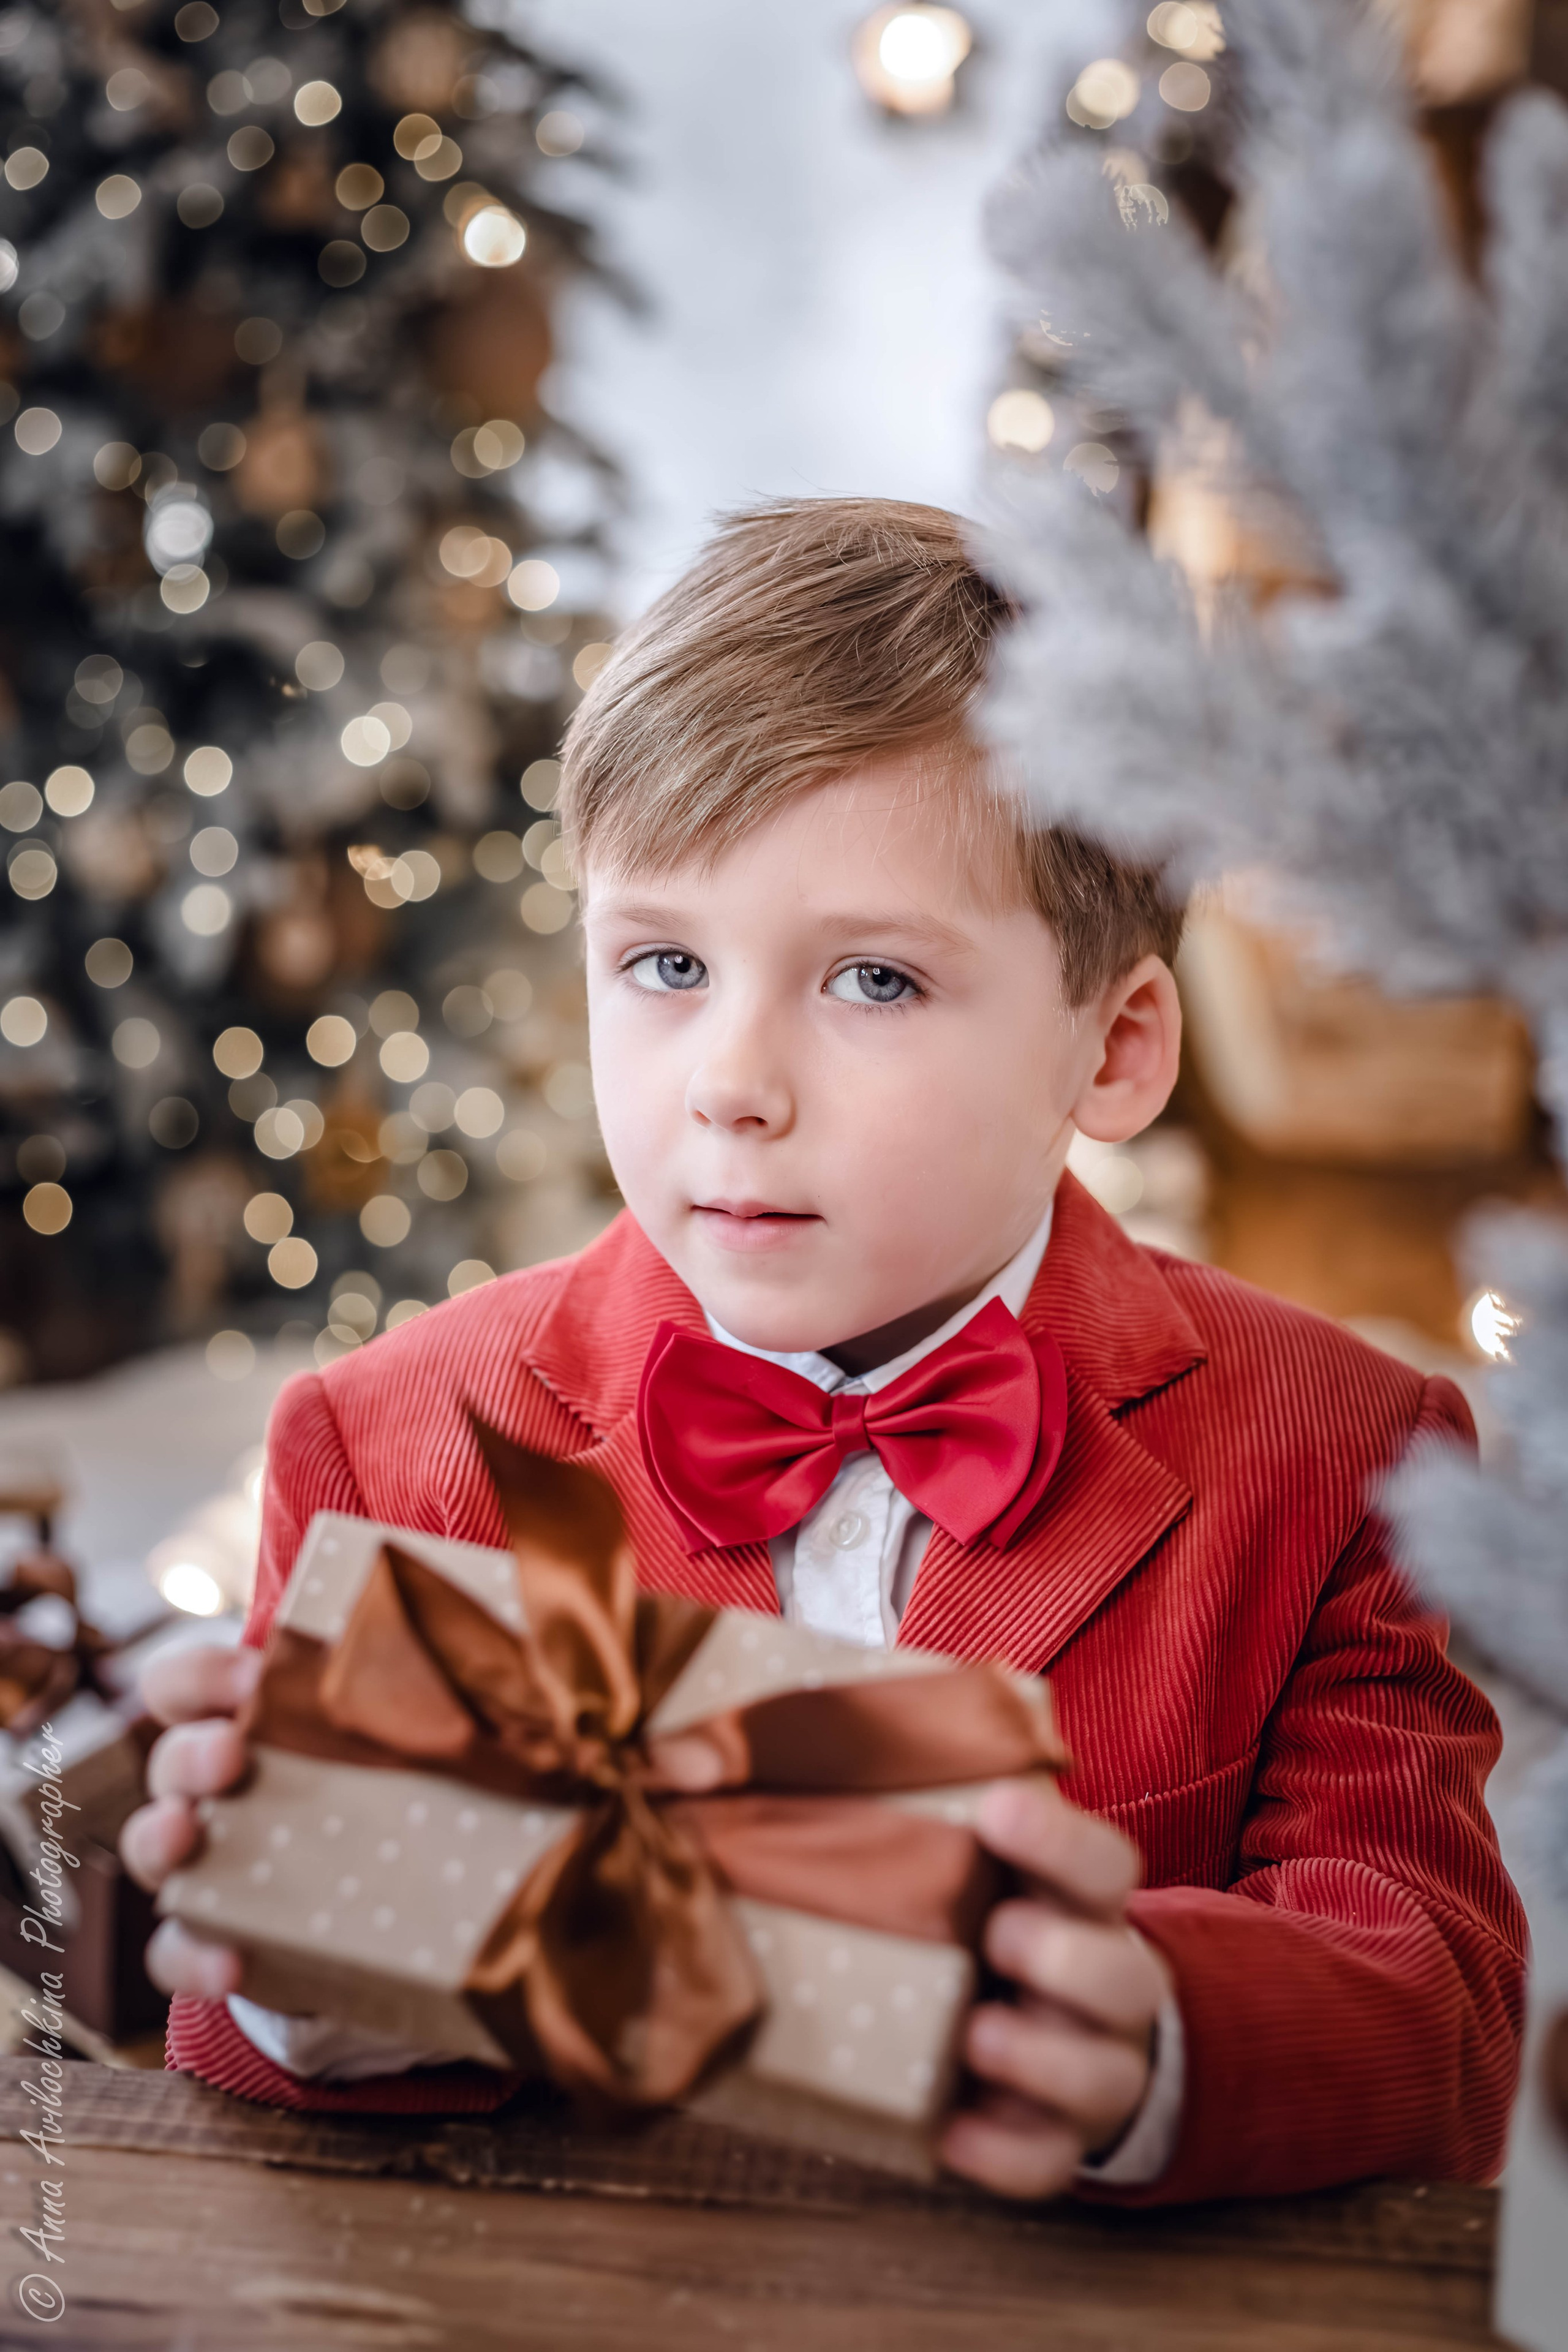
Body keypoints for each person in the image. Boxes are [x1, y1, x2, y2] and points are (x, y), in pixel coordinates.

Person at [120, 499, 1524, 2204]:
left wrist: (1159, 2033)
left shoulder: (1347, 1455)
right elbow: (249, 2104)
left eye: (869, 980)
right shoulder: (387, 1446)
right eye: (663, 962)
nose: (731, 1082)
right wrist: (301, 1967)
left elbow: (1442, 2006)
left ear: (1119, 1046)